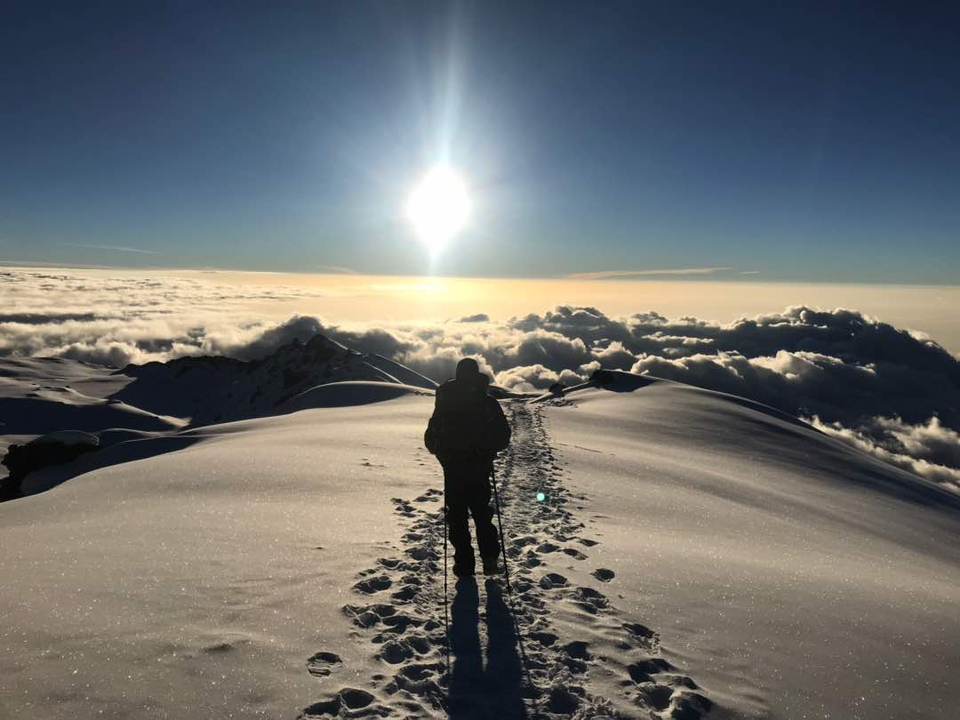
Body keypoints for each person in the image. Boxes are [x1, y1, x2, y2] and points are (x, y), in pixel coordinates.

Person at [424, 358, 511, 577]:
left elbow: (430, 438)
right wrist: (488, 450)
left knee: (457, 517)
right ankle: (490, 559)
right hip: (479, 468)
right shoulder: (488, 403)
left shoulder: (445, 402)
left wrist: (443, 453)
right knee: (482, 514)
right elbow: (503, 437)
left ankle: (464, 565)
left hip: (452, 469)